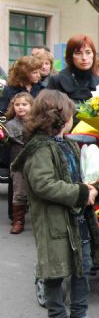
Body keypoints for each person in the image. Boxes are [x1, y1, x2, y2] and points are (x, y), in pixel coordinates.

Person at [11, 89, 99, 318]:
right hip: (54, 222)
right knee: (55, 273)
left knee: (82, 269)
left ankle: (79, 314)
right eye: (71, 115)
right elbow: (44, 184)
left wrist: (94, 186)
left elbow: (82, 175)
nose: (72, 119)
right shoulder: (39, 149)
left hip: (78, 221)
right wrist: (80, 192)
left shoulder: (69, 144)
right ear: (60, 117)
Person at [5, 92, 33, 234]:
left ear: (31, 106)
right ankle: (18, 221)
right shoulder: (9, 125)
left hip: (35, 162)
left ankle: (39, 220)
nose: (20, 107)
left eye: (24, 104)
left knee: (38, 192)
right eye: (17, 104)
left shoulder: (37, 123)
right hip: (17, 162)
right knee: (19, 192)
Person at [48, 34, 99, 105]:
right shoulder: (57, 81)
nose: (84, 58)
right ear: (70, 56)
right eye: (78, 53)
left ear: (93, 55)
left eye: (88, 52)